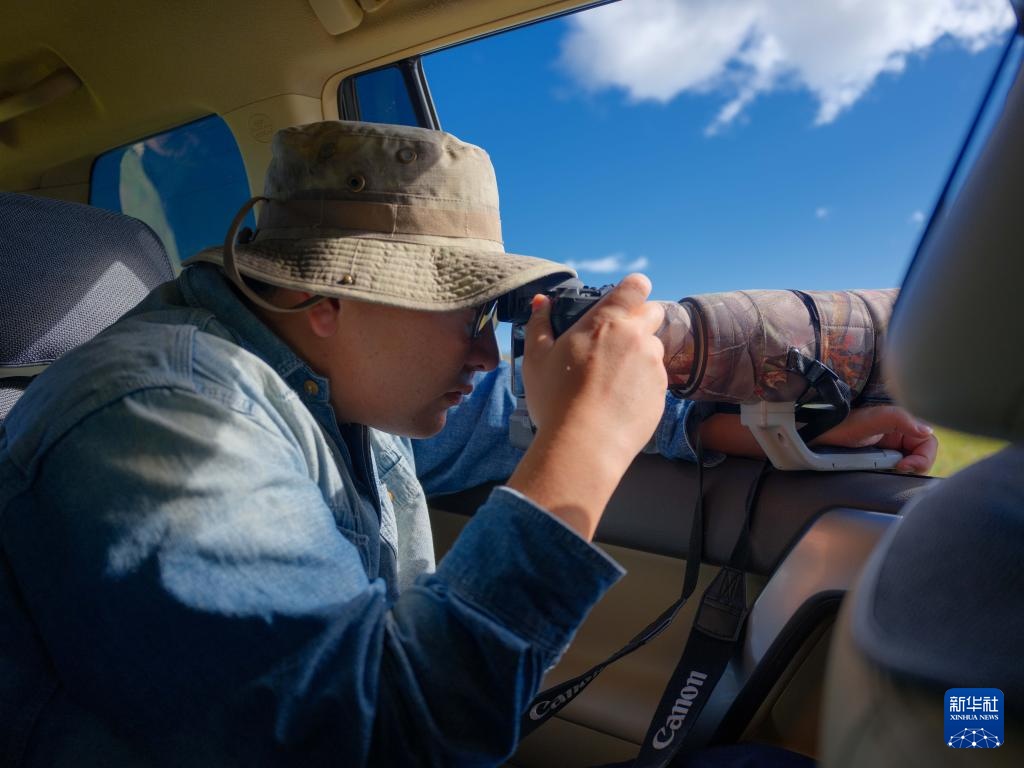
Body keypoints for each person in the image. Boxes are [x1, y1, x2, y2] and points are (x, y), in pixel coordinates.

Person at [0, 120, 936, 767]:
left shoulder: (338, 389)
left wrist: (745, 425)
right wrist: (587, 448)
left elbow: (512, 417)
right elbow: (385, 746)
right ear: (326, 299)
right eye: (465, 314)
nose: (488, 352)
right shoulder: (156, 423)